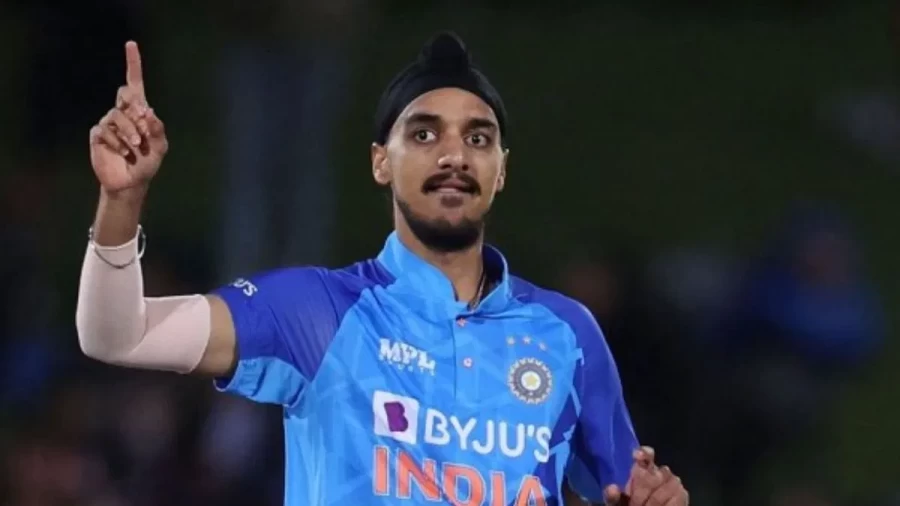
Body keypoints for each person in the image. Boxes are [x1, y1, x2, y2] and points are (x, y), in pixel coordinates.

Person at [76, 32, 689, 506]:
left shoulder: (565, 332)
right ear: (380, 162)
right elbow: (117, 335)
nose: (454, 155)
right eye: (424, 135)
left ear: (501, 169)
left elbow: (628, 490)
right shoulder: (317, 312)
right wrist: (121, 201)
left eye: (478, 139)